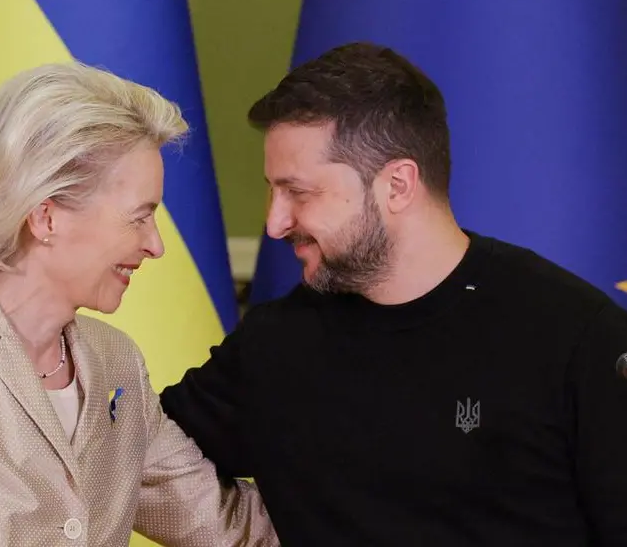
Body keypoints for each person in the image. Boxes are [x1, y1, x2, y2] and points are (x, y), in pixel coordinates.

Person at [160, 42, 627, 546]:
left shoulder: (575, 336)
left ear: (398, 185)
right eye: (273, 191)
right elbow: (139, 456)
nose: (275, 223)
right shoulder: (275, 344)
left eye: (299, 192)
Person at [0, 62, 278, 547]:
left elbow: (222, 523)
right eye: (139, 218)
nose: (155, 245)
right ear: (46, 217)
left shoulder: (117, 365)